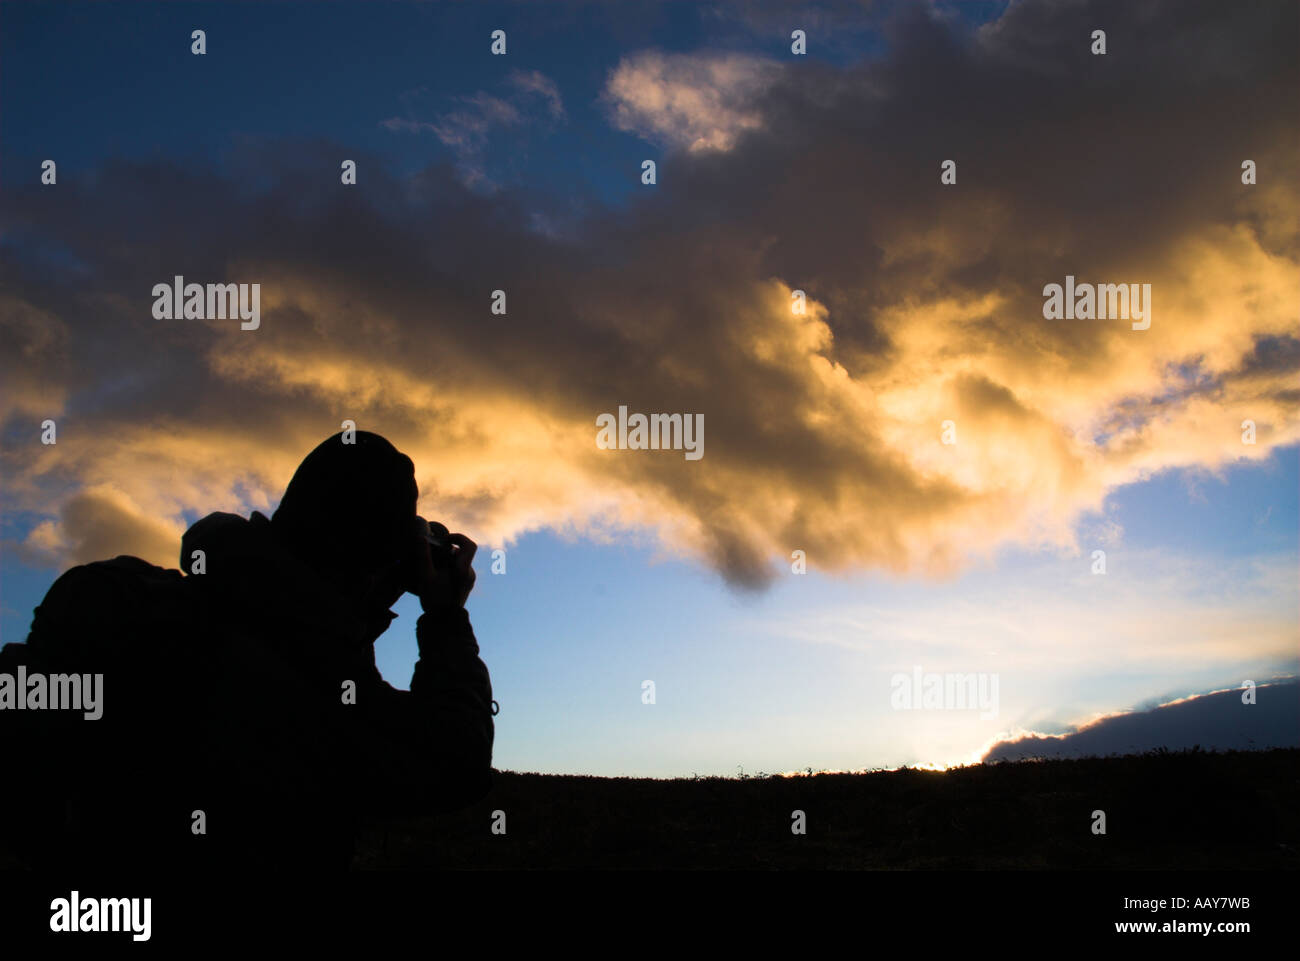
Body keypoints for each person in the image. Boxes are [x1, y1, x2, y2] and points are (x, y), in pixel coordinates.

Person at [0, 430, 494, 871]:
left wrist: (362, 601)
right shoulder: (321, 700)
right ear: (376, 558)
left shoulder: (129, 603)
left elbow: (287, 623)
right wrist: (444, 614)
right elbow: (454, 762)